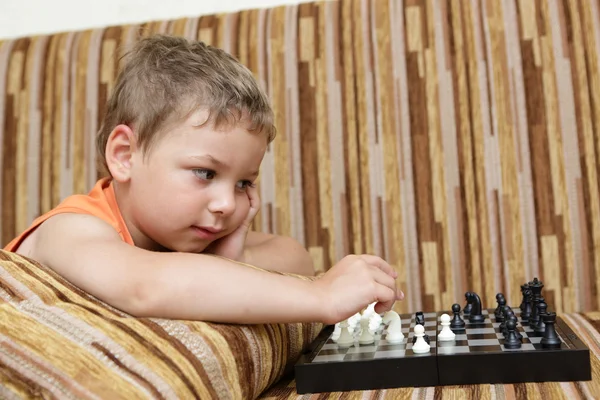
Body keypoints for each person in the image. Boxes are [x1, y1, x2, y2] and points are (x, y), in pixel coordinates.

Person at [4, 34, 403, 325]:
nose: (227, 203)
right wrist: (320, 295)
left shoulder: (181, 232)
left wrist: (234, 259)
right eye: (205, 173)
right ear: (124, 156)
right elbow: (146, 285)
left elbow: (294, 256)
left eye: (244, 183)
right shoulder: (71, 229)